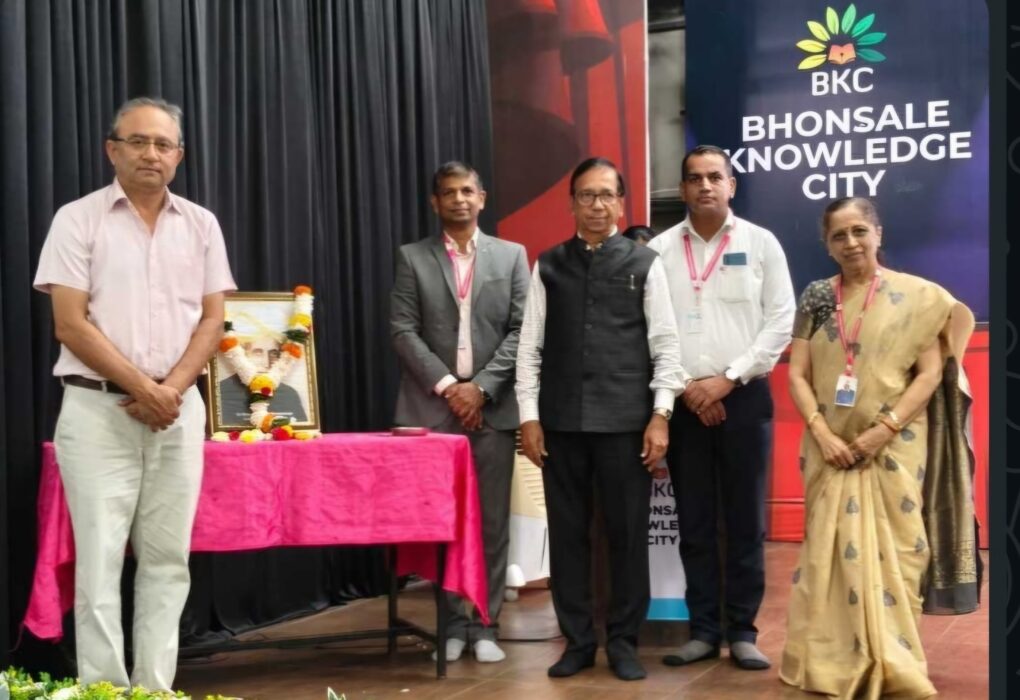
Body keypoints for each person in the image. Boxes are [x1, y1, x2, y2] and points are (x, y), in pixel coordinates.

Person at [33, 97, 236, 690]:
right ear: (112, 150)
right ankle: (105, 689)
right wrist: (145, 389)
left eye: (163, 144)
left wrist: (169, 392)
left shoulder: (201, 224)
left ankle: (154, 688)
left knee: (169, 560)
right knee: (99, 559)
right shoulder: (78, 219)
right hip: (97, 410)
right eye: (138, 141)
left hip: (177, 411)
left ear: (179, 156)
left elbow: (214, 320)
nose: (151, 153)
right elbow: (70, 324)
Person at [780, 197, 979, 698]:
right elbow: (798, 374)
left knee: (901, 551)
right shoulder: (817, 297)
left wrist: (883, 429)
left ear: (878, 234)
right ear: (827, 245)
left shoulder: (918, 298)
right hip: (828, 449)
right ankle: (829, 662)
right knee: (827, 557)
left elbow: (929, 374)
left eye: (859, 231)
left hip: (894, 447)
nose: (850, 243)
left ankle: (896, 660)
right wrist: (823, 432)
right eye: (838, 236)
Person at [516, 157, 685, 681]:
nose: (596, 205)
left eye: (606, 195)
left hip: (626, 426)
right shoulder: (548, 264)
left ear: (621, 203)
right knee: (568, 539)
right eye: (586, 195)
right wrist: (529, 417)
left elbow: (666, 346)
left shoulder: (645, 264)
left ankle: (624, 642)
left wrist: (660, 416)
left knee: (627, 537)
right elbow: (529, 348)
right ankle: (578, 642)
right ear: (571, 203)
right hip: (561, 426)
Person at [648, 145, 796, 670]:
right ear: (682, 189)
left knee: (744, 521)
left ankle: (743, 631)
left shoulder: (761, 243)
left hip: (745, 397)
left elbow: (781, 320)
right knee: (695, 523)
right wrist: (691, 387)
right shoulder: (660, 251)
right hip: (684, 398)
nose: (705, 185)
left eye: (715, 177)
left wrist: (727, 380)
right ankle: (704, 631)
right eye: (695, 178)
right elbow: (654, 329)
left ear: (732, 185)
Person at [390, 161, 530, 663]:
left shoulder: (512, 256)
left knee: (491, 522)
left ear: (482, 198)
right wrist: (452, 388)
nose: (459, 200)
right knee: (443, 522)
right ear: (435, 202)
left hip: (493, 409)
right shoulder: (412, 257)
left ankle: (486, 625)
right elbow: (402, 329)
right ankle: (450, 625)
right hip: (434, 410)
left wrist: (482, 389)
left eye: (467, 191)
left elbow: (523, 329)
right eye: (448, 193)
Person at [217, 335, 308, 425]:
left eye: (273, 353)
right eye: (258, 353)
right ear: (243, 355)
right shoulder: (221, 391)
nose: (266, 362)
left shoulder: (290, 394)